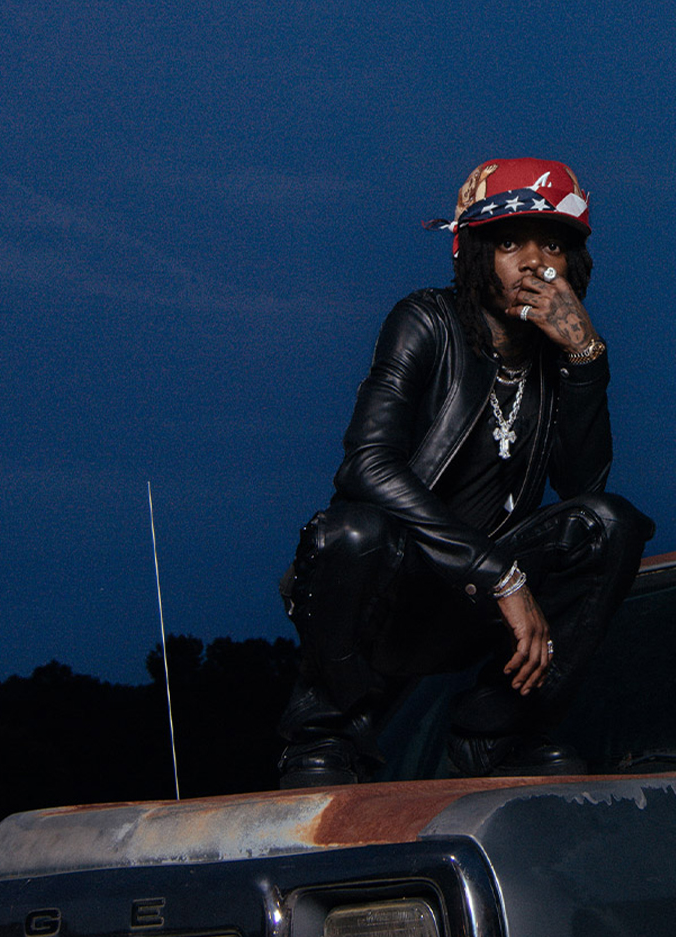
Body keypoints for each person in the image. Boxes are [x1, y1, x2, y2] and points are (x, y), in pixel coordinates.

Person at [277, 155, 654, 787]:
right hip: (400, 586)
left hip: (482, 609)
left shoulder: (557, 355)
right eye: (509, 244)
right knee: (352, 531)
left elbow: (583, 490)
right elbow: (365, 464)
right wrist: (499, 574)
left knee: (610, 524)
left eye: (553, 245)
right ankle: (325, 735)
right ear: (472, 253)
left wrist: (586, 359)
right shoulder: (425, 320)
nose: (534, 263)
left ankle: (494, 734)